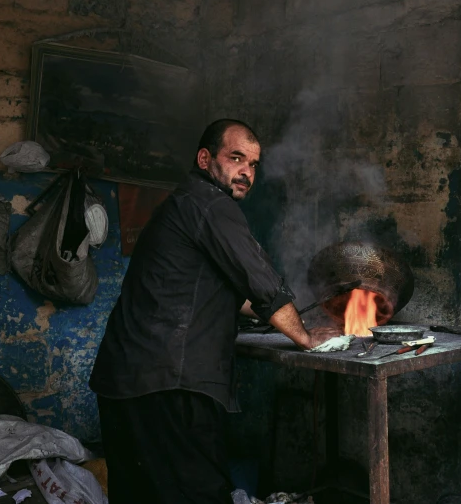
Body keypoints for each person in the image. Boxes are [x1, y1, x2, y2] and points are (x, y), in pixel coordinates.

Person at [89, 119, 342, 503]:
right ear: (205, 159)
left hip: (125, 381)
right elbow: (262, 283)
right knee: (200, 495)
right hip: (169, 385)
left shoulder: (179, 204)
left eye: (254, 164)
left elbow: (207, 288)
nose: (246, 171)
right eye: (236, 157)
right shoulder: (211, 205)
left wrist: (269, 314)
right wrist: (305, 336)